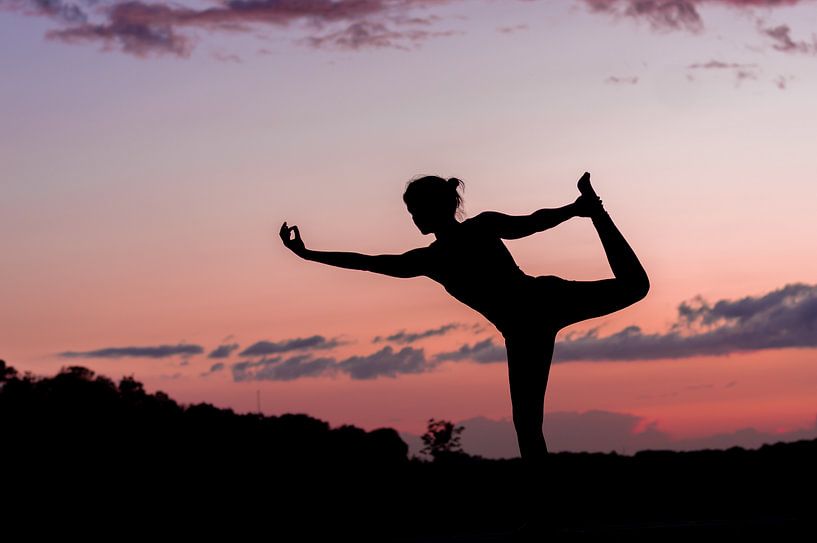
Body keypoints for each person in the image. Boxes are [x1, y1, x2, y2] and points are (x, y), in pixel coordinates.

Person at [280, 172, 649, 531]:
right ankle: (545, 515)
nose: (413, 218)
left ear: (437, 208)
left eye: (416, 210)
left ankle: (597, 211)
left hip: (540, 303)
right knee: (527, 424)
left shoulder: (468, 235)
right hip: (524, 330)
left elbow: (533, 222)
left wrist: (577, 209)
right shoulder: (433, 257)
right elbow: (370, 262)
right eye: (410, 212)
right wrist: (308, 254)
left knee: (635, 288)